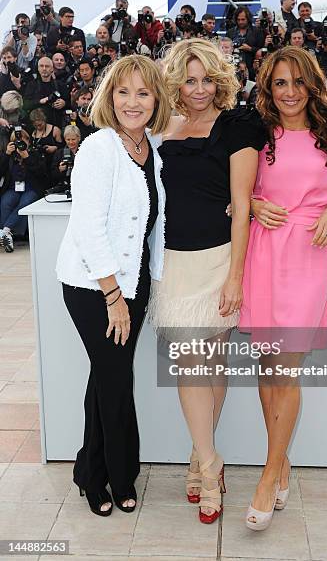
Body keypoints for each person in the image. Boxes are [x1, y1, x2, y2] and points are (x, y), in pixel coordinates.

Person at [148, 39, 267, 525]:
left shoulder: (238, 125)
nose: (199, 90)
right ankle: (210, 460)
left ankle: (202, 459)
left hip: (219, 260)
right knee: (192, 367)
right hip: (171, 262)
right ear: (176, 81)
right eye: (189, 80)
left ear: (220, 79)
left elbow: (242, 205)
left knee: (210, 365)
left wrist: (236, 276)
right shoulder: (160, 127)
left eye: (207, 79)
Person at [239, 46, 327, 530]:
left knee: (285, 367)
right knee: (267, 366)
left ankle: (268, 475)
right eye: (279, 83)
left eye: (297, 82)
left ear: (312, 84)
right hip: (263, 252)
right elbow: (238, 193)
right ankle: (281, 462)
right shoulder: (259, 134)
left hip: (308, 251)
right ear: (269, 87)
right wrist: (251, 207)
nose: (289, 92)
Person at [55, 55, 171, 516]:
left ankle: (89, 468)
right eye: (123, 91)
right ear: (109, 96)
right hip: (93, 286)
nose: (132, 101)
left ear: (156, 98)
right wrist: (112, 297)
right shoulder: (99, 148)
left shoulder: (152, 148)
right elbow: (88, 228)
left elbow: (153, 222)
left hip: (133, 283)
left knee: (104, 377)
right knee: (117, 380)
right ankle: (117, 478)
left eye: (143, 92)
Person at [0, 127, 48, 252]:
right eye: (16, 141)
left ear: (28, 141)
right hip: (13, 188)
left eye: (23, 140)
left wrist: (27, 157)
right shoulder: (10, 155)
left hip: (31, 188)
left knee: (25, 203)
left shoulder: (35, 153)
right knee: (6, 201)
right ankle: (9, 236)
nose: (20, 144)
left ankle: (5, 232)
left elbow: (41, 173)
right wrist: (6, 154)